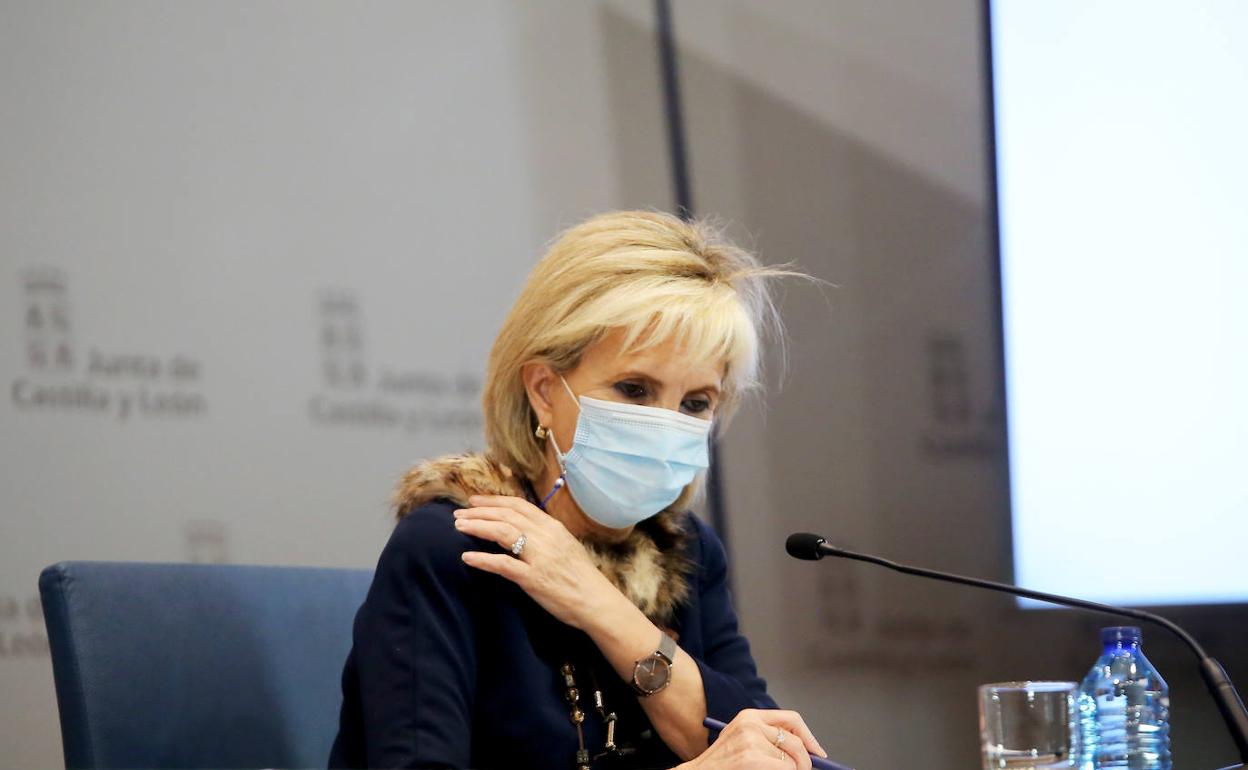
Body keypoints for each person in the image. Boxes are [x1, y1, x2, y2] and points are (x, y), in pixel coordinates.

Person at [329, 210, 827, 770]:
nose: (664, 424)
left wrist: (602, 607)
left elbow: (768, 749)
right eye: (635, 389)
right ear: (544, 390)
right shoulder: (453, 549)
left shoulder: (686, 555)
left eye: (695, 404)